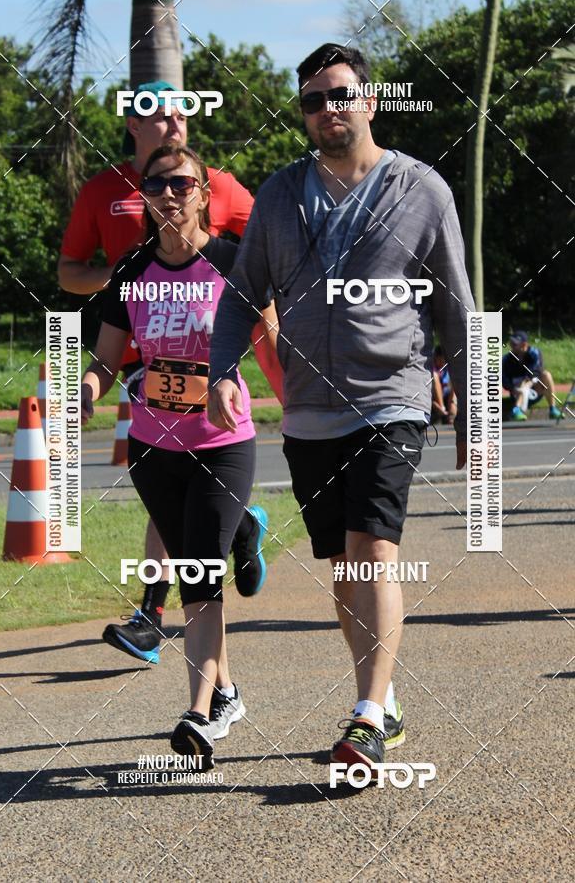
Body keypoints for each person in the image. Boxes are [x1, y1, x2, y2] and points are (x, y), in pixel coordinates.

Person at [207, 43, 474, 773]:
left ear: (370, 100)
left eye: (340, 94)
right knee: (344, 569)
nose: (328, 110)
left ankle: (364, 714)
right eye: (313, 100)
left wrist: (476, 415)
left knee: (374, 548)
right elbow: (240, 295)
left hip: (392, 396)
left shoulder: (422, 190)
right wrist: (222, 367)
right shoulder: (280, 194)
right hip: (309, 409)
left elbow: (457, 306)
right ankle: (382, 698)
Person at [60, 81, 282, 663]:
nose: (176, 126)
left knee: (196, 553)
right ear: (133, 125)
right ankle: (234, 536)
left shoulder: (220, 193)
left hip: (210, 377)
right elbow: (69, 276)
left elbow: (267, 252)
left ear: (203, 193)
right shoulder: (103, 195)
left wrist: (286, 382)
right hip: (139, 355)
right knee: (181, 516)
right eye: (161, 117)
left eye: (183, 116)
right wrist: (122, 285)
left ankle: (158, 624)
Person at [82, 144, 280, 766]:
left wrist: (302, 407)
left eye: (183, 184)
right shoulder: (132, 269)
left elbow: (272, 343)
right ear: (145, 195)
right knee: (195, 563)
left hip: (223, 445)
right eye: (159, 184)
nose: (171, 194)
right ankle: (226, 691)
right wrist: (85, 391)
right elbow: (106, 359)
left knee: (197, 575)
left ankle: (197, 713)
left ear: (203, 194)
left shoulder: (231, 262)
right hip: (153, 448)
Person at [502, 331, 561, 420]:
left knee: (546, 374)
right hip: (517, 392)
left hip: (535, 389)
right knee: (521, 382)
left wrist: (528, 383)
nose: (512, 346)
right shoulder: (506, 359)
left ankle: (553, 409)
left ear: (524, 345)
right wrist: (513, 388)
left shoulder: (535, 353)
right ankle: (516, 410)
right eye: (511, 343)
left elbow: (537, 371)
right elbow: (503, 378)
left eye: (514, 344)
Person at [431, 345, 456, 424]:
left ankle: (450, 410)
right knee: (434, 375)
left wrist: (452, 403)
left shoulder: (449, 368)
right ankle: (442, 407)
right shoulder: (432, 368)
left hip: (448, 398)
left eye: (443, 361)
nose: (441, 363)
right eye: (439, 360)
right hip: (435, 400)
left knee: (455, 376)